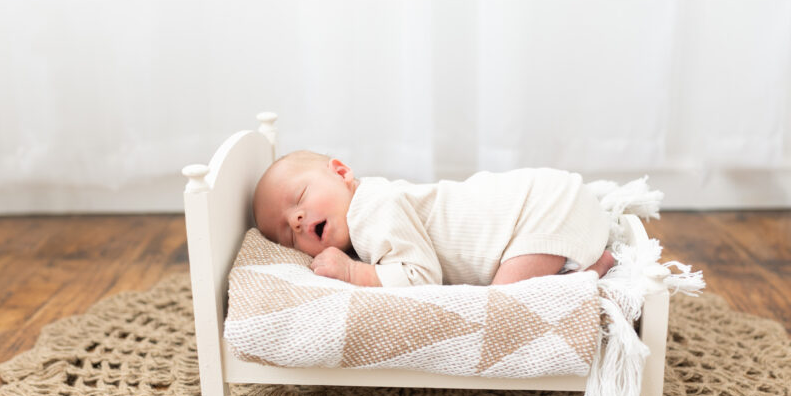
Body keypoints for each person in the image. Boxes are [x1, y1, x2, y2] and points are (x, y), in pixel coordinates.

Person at [252, 150, 617, 288]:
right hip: (551, 200)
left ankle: (589, 274)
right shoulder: (366, 204)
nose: (297, 220)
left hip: (545, 209)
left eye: (299, 199)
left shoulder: (370, 210)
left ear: (342, 172)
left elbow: (422, 277)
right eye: (287, 234)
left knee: (504, 307)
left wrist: (352, 274)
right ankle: (582, 263)